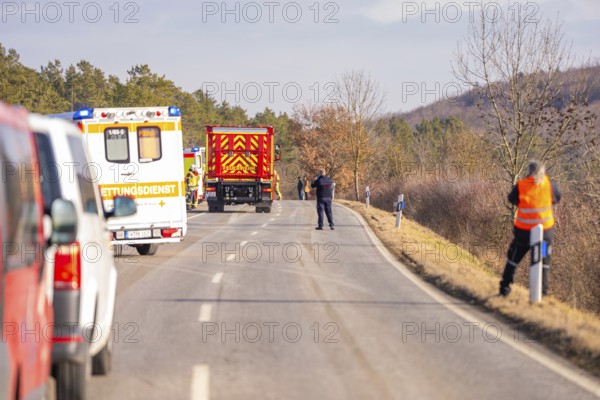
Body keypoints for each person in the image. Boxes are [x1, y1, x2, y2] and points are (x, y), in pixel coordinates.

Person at [499, 160, 561, 297]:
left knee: (513, 259)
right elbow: (557, 198)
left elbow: (512, 199)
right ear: (542, 172)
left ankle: (504, 288)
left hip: (523, 234)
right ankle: (542, 292)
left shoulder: (521, 186)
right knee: (543, 261)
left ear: (528, 172)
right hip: (545, 235)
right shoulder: (550, 185)